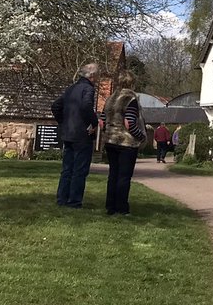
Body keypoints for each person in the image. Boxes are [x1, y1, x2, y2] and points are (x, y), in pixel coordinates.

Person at [52, 63, 99, 208]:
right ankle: (74, 201)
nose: (97, 79)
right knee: (79, 170)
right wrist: (94, 123)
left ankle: (62, 199)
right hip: (82, 135)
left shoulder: (71, 89)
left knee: (67, 169)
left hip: (68, 134)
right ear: (91, 76)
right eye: (96, 76)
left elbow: (55, 106)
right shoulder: (88, 89)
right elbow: (86, 106)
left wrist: (63, 122)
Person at [102, 72, 145, 216]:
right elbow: (129, 122)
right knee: (124, 176)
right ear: (132, 83)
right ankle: (122, 208)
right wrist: (141, 136)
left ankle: (110, 206)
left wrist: (106, 132)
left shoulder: (110, 99)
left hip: (110, 140)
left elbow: (102, 120)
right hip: (126, 142)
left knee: (113, 174)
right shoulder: (130, 99)